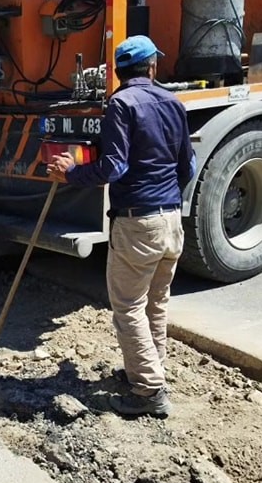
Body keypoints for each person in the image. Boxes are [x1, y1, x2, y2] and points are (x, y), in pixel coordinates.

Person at [44, 35, 196, 419]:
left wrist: (72, 172)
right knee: (156, 303)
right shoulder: (174, 103)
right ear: (152, 67)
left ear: (118, 72)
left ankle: (148, 390)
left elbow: (114, 168)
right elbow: (187, 168)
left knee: (128, 307)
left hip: (138, 222)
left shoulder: (121, 104)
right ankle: (148, 371)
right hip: (171, 219)